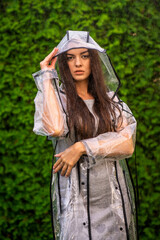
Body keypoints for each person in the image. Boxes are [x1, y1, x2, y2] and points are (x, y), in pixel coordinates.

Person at [32, 31, 137, 240]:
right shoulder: (58, 100)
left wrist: (81, 147)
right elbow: (54, 128)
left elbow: (127, 144)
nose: (77, 63)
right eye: (70, 58)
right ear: (64, 63)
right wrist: (46, 75)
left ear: (94, 61)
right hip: (75, 200)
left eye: (84, 56)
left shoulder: (112, 102)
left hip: (113, 199)